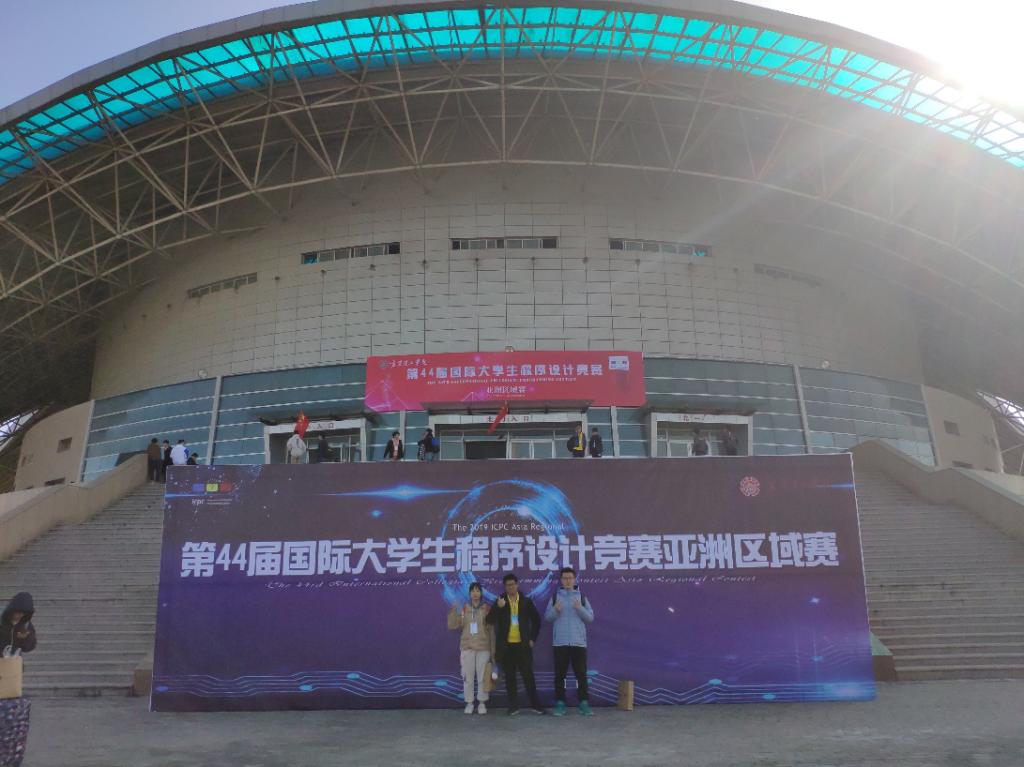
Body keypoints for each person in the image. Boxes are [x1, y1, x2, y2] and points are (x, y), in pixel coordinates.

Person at [486, 573, 544, 715]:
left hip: (523, 646)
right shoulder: (500, 601)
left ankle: (536, 705)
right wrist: (498, 607)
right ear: (505, 587)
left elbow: (537, 621)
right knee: (510, 677)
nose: (510, 587)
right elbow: (489, 620)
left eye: (512, 584)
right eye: (507, 585)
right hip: (506, 647)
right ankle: (513, 706)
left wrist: (532, 638)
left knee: (528, 676)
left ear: (517, 585)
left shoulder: (526, 601)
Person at [544, 567, 595, 716]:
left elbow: (590, 618)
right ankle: (560, 704)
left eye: (570, 578)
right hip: (560, 642)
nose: (567, 581)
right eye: (565, 578)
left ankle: (584, 704)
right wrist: (556, 610)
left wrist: (579, 608)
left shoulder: (581, 597)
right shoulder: (555, 597)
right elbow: (547, 618)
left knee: (581, 675)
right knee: (560, 676)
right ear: (561, 580)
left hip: (578, 643)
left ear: (574, 580)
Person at [447, 582, 494, 715]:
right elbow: (453, 625)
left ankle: (482, 703)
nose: (475, 593)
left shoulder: (487, 608)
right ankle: (469, 703)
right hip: (467, 647)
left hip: (483, 648)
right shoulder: (464, 608)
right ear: (469, 593)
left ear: (481, 593)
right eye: (472, 591)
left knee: (482, 677)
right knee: (468, 677)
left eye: (477, 591)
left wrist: (493, 650)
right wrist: (453, 610)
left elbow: (491, 630)